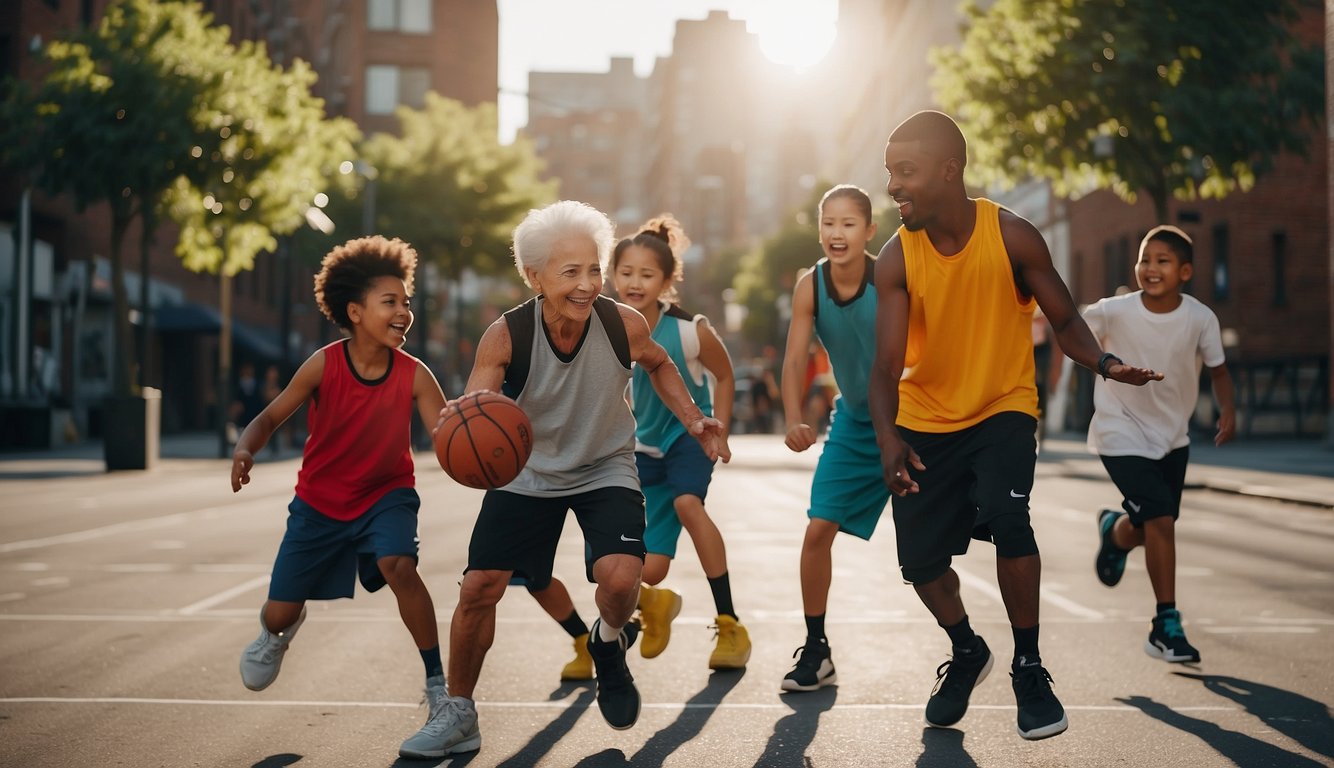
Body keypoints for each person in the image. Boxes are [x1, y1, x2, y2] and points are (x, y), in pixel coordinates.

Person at [868, 110, 1162, 741]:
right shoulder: (896, 256)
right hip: (924, 420)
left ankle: (1028, 667)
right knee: (921, 565)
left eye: (906, 172)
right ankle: (967, 649)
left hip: (1003, 406)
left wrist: (1106, 364)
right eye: (889, 172)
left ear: (950, 172)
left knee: (1009, 520)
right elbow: (886, 363)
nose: (893, 186)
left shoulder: (1013, 236)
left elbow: (1064, 319)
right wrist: (888, 438)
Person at [426, 201, 726, 750]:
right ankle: (458, 712)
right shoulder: (506, 335)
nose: (588, 284)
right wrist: (459, 421)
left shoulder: (622, 323)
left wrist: (692, 419)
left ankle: (607, 643)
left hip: (604, 465)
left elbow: (659, 363)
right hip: (527, 472)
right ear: (534, 277)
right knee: (479, 588)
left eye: (594, 269)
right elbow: (477, 403)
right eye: (571, 273)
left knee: (619, 580)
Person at [228, 236, 454, 759]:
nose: (404, 311)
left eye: (406, 302)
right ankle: (276, 632)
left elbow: (449, 439)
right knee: (281, 613)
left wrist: (484, 447)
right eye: (390, 302)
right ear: (355, 312)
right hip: (319, 504)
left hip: (386, 495)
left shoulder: (416, 375)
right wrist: (245, 446)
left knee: (399, 563)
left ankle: (439, 690)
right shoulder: (323, 365)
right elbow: (269, 416)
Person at [1086, 225, 1235, 664]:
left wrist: (1228, 409)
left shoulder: (1200, 317)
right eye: (1144, 259)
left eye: (1162, 261)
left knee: (1155, 523)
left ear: (1185, 271)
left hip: (1172, 436)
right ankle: (1165, 624)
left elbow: (1219, 370)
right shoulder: (1113, 310)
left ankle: (1115, 533)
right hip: (1119, 431)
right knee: (1162, 518)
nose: (1150, 268)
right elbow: (1067, 326)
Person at [609, 213, 749, 669]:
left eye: (647, 274)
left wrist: (719, 429)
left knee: (690, 504)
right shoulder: (609, 329)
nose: (635, 282)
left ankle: (729, 624)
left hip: (688, 434)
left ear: (666, 281)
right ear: (612, 276)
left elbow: (724, 375)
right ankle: (657, 602)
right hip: (644, 447)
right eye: (626, 272)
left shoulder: (690, 329)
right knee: (649, 569)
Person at [778, 184, 885, 693]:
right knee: (818, 530)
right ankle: (816, 648)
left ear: (869, 231)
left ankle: (963, 646)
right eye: (828, 223)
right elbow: (795, 359)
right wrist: (795, 418)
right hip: (855, 424)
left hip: (914, 422)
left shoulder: (891, 278)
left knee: (927, 547)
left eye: (848, 224)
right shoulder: (810, 285)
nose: (836, 233)